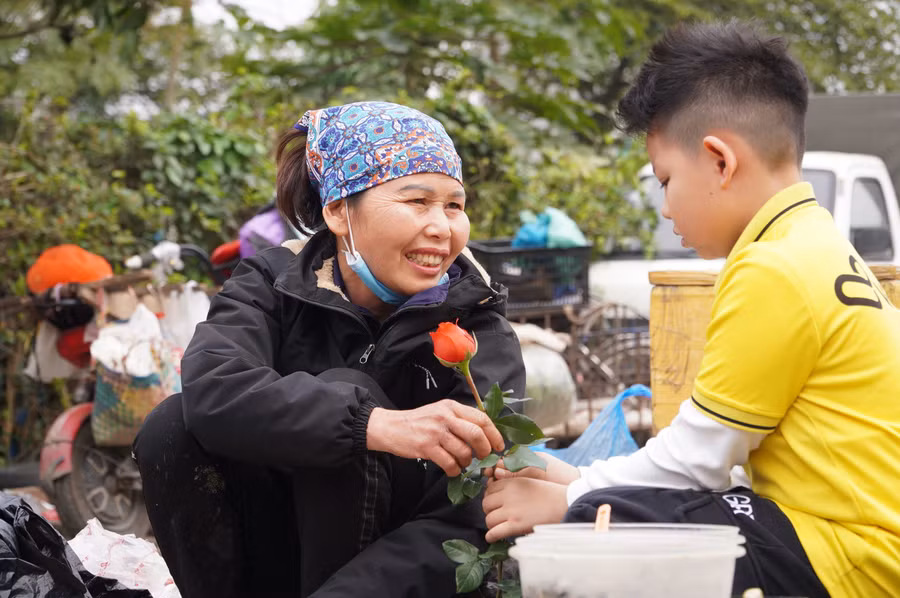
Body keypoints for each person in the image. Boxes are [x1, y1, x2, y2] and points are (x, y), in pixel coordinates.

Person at [481, 20, 900, 598]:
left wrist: (569, 498)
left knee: (594, 528)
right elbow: (711, 452)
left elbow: (695, 464)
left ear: (720, 161)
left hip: (842, 555)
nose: (665, 208)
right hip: (859, 540)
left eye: (666, 180)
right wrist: (576, 475)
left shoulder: (773, 268)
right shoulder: (815, 242)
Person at [133, 101, 526, 598]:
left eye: (454, 205)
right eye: (416, 202)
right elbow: (214, 389)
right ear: (339, 211)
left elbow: (473, 509)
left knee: (350, 393)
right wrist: (371, 425)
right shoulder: (272, 282)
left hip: (394, 575)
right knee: (171, 426)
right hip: (278, 553)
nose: (442, 227)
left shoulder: (477, 321)